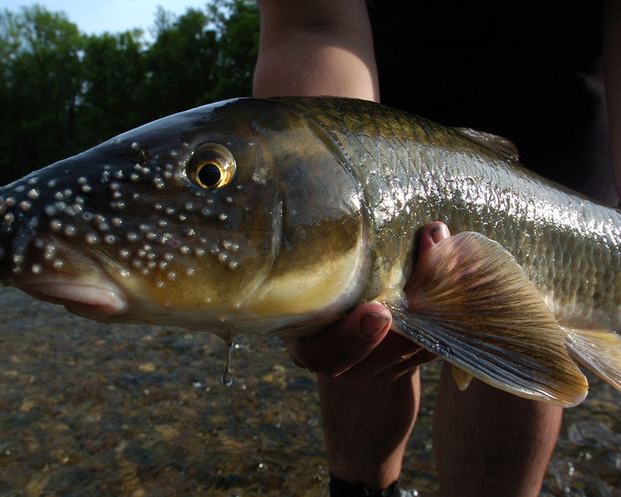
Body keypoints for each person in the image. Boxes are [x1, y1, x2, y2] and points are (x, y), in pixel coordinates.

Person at [252, 1, 621, 496]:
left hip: (560, 63)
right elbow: (311, 24)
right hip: (375, 61)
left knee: (538, 303)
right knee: (348, 284)